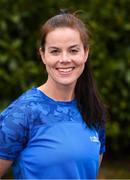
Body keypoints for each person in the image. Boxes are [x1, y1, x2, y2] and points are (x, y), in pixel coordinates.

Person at [0, 10, 106, 179]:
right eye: (55, 51)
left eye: (73, 50)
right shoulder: (21, 113)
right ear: (43, 55)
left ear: (85, 53)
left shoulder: (93, 111)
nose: (64, 59)